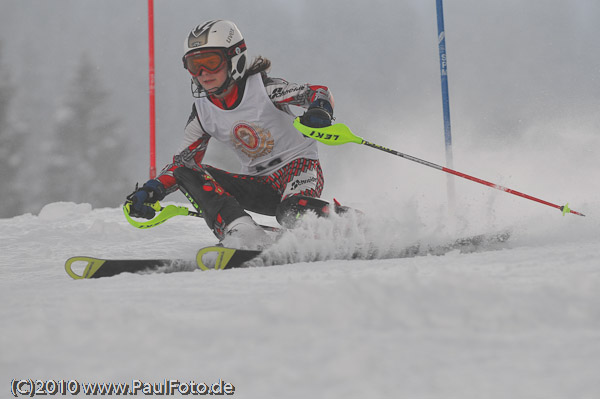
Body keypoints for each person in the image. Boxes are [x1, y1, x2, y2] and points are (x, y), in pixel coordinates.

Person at [126, 19, 337, 250]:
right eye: (194, 65)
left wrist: (319, 110)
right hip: (259, 183)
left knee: (290, 211)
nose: (203, 74)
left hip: (299, 168)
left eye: (211, 62)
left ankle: (352, 226)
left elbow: (317, 92)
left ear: (234, 58)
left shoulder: (263, 89)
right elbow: (182, 163)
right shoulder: (203, 111)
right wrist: (152, 189)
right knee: (186, 171)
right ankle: (242, 232)